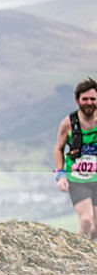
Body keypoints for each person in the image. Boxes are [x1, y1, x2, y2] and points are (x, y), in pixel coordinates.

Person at [54, 77, 97, 239]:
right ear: (77, 100)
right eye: (85, 99)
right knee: (86, 220)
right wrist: (60, 175)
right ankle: (79, 255)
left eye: (93, 99)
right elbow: (58, 148)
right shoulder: (68, 123)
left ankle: (89, 250)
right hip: (77, 179)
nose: (89, 102)